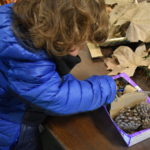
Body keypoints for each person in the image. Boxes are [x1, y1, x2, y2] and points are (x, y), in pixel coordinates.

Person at [0, 0, 116, 150]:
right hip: (11, 125)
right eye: (76, 44)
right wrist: (106, 88)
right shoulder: (26, 57)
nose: (78, 51)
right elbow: (56, 97)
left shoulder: (16, 15)